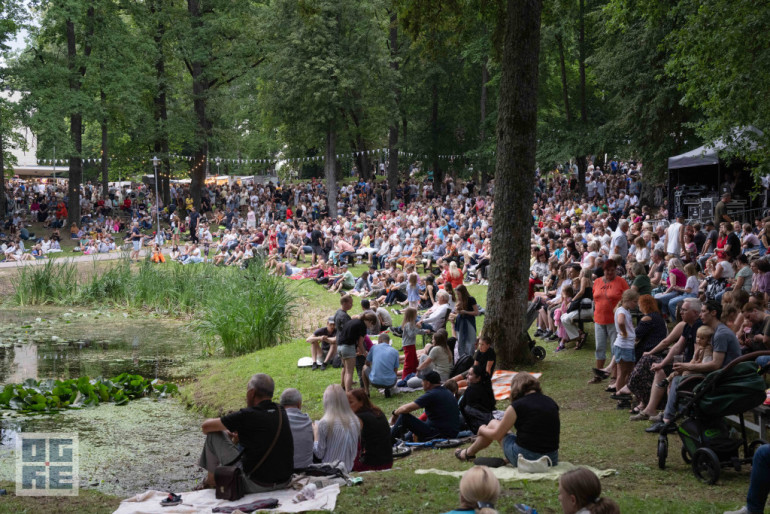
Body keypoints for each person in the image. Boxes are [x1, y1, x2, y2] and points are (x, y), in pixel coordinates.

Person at [197, 373, 294, 492]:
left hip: (256, 484)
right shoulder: (281, 411)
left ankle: (211, 481)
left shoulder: (247, 415)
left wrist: (225, 430)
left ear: (251, 393)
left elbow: (206, 427)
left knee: (213, 435)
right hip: (284, 482)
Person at [455, 373, 559, 466]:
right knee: (504, 429)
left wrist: (482, 429)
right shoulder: (551, 402)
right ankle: (470, 453)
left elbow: (497, 435)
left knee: (493, 423)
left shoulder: (517, 406)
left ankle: (468, 453)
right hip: (551, 459)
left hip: (527, 458)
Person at [391, 370, 461, 442]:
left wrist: (395, 413)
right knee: (414, 426)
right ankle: (404, 439)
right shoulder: (447, 392)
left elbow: (406, 408)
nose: (421, 383)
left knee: (404, 417)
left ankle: (387, 441)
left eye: (422, 381)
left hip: (439, 435)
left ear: (427, 383)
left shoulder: (432, 394)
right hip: (451, 433)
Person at [589, 259, 629, 382]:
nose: (610, 272)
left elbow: (628, 297)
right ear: (603, 270)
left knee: (614, 347)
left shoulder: (621, 282)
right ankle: (599, 374)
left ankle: (614, 376)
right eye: (607, 270)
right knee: (599, 347)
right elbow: (594, 297)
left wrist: (621, 308)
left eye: (613, 270)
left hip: (614, 320)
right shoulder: (597, 281)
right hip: (599, 319)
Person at [313, 384, 361, 472]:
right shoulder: (355, 420)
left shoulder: (324, 423)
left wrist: (316, 434)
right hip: (349, 467)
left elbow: (319, 454)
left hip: (330, 469)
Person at [347, 389, 393, 472]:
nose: (347, 406)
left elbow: (352, 443)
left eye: (350, 402)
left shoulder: (358, 418)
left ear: (361, 402)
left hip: (371, 464)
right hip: (388, 461)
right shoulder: (378, 412)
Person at [337, 311, 377, 392]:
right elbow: (360, 343)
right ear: (370, 322)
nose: (370, 327)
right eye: (371, 325)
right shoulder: (362, 326)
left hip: (339, 347)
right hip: (348, 348)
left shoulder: (353, 321)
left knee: (346, 369)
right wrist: (366, 354)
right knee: (349, 372)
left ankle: (346, 389)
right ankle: (348, 393)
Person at [279, 388, 313, 470]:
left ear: (281, 405)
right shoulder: (307, 421)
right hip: (306, 471)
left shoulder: (276, 421)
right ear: (299, 404)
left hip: (283, 472)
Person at [459, 365, 496, 434]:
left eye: (470, 374)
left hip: (476, 426)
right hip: (487, 421)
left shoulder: (471, 390)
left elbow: (462, 407)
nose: (466, 376)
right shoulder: (486, 388)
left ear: (478, 378)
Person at [362, 333, 400, 398]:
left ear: (380, 340)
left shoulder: (374, 348)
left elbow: (367, 363)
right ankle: (387, 388)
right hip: (391, 383)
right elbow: (395, 370)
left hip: (375, 382)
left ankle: (367, 392)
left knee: (364, 367)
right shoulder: (395, 351)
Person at [452, 285, 480, 358]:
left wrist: (465, 312)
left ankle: (470, 356)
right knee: (460, 339)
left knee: (471, 339)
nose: (457, 296)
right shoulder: (459, 300)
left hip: (468, 321)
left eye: (458, 294)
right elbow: (457, 312)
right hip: (460, 321)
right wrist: (457, 311)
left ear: (463, 293)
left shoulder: (471, 299)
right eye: (456, 294)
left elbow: (476, 312)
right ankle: (462, 357)